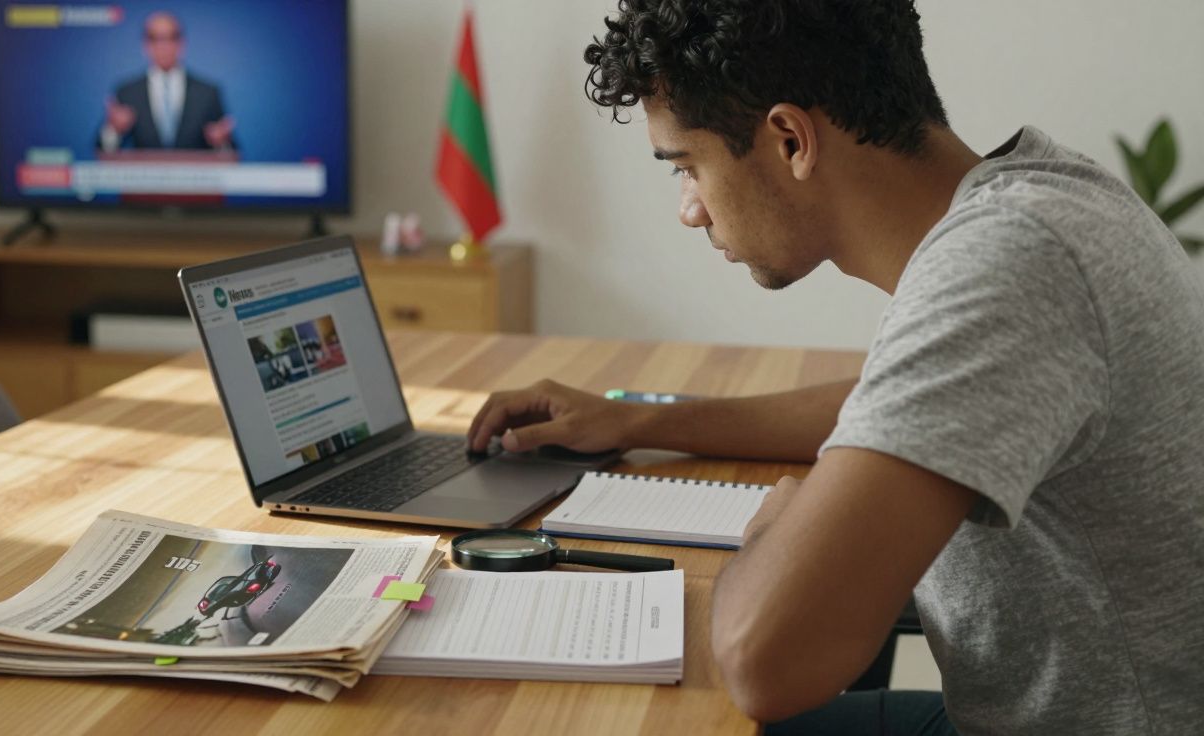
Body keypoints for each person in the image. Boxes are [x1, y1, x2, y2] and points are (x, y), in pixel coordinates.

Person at [465, 1, 1204, 733]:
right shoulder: (1039, 195)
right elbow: (899, 406)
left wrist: (774, 534)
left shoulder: (1007, 266)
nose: (690, 209)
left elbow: (763, 661)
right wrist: (642, 418)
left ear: (790, 139)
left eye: (687, 166)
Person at [98, 11, 235, 152]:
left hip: (194, 173)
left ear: (182, 43)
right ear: (145, 45)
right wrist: (113, 131)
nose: (163, 45)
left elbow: (230, 151)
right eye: (155, 38)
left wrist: (221, 142)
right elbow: (102, 150)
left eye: (171, 37)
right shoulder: (127, 92)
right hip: (145, 174)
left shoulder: (208, 93)